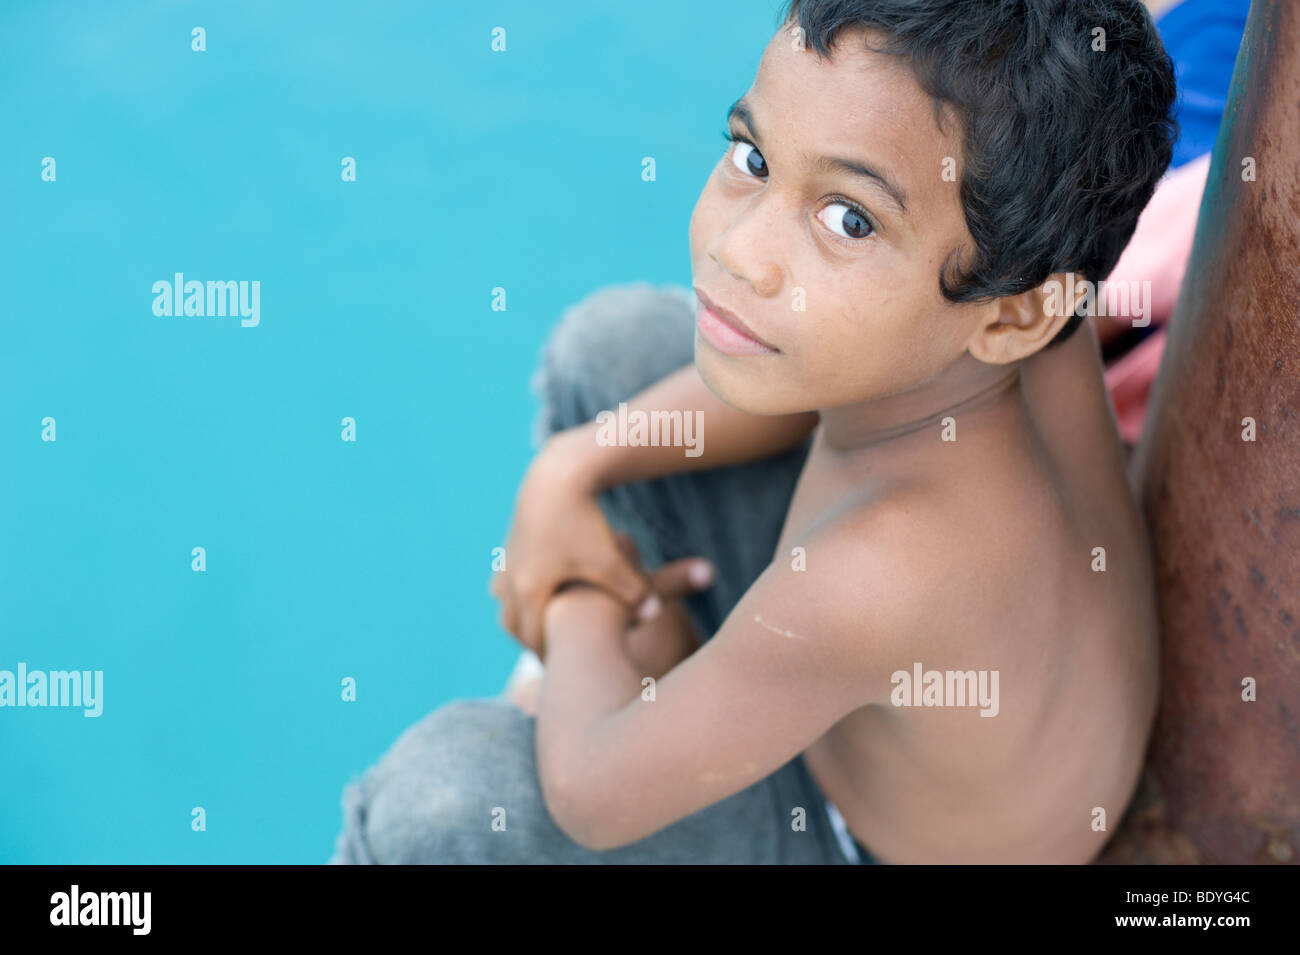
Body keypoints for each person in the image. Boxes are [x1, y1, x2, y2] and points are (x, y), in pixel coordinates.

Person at [331, 0, 1176, 864]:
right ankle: (660, 646)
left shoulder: (888, 569)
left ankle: (633, 645)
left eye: (850, 219)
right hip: (945, 720)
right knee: (610, 351)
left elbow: (591, 795)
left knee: (437, 800)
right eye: (753, 157)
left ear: (1017, 315)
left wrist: (574, 591)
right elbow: (808, 374)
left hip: (853, 838)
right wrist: (566, 470)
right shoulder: (1021, 299)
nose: (741, 249)